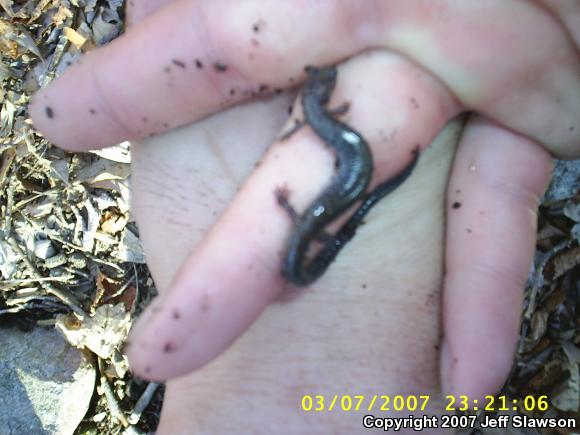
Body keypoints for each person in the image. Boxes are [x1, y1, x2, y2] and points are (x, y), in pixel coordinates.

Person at [29, 1, 579, 433]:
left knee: (339, 192)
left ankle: (292, 348)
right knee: (341, 189)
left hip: (348, 170)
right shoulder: (329, 122)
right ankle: (321, 321)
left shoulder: (326, 123)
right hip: (350, 168)